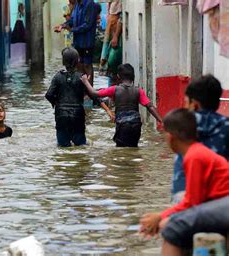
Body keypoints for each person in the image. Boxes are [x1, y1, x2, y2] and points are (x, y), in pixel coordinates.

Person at [138, 108, 229, 254]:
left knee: (171, 227)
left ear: (170, 136)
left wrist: (160, 216)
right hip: (222, 204)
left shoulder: (194, 156)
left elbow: (192, 202)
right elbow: (195, 200)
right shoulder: (197, 152)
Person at [171, 75, 229, 203]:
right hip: (220, 201)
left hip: (185, 199)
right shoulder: (226, 125)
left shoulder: (182, 125)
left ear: (194, 104)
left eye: (186, 103)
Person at [45, 47, 114, 147]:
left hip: (61, 115)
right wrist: (108, 110)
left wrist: (56, 104)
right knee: (81, 145)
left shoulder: (57, 76)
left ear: (63, 61)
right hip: (77, 115)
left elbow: (49, 95)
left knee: (62, 146)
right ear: (77, 61)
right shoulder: (82, 78)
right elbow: (94, 96)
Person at [81, 63, 162, 147]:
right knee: (133, 148)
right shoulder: (139, 91)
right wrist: (161, 121)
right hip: (136, 125)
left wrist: (86, 81)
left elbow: (94, 93)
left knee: (121, 149)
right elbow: (150, 106)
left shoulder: (114, 89)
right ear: (133, 76)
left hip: (122, 125)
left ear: (118, 76)